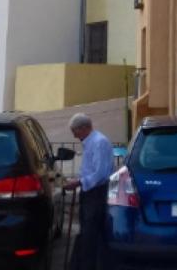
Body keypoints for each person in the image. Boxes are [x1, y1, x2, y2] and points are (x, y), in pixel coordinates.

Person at [65, 112, 113, 270]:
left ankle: (90, 265)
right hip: (89, 191)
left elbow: (101, 173)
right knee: (86, 231)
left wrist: (79, 182)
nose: (74, 135)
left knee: (91, 232)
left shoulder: (99, 142)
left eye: (75, 131)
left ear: (85, 128)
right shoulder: (90, 142)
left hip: (97, 192)